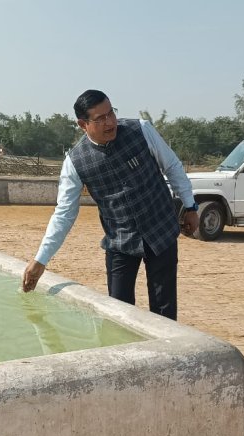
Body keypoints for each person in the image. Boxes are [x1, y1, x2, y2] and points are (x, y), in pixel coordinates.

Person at [22, 89, 199, 320]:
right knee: (118, 312)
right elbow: (64, 213)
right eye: (100, 118)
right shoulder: (75, 162)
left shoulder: (141, 130)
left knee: (164, 309)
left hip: (161, 229)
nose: (110, 122)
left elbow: (173, 167)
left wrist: (190, 206)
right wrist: (40, 260)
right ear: (82, 125)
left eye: (111, 113)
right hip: (120, 240)